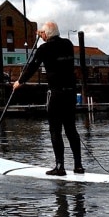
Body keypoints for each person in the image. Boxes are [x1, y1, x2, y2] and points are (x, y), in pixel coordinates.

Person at [13, 20, 83, 176]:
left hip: (56, 94)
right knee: (71, 129)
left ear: (45, 34)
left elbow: (32, 66)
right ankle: (78, 166)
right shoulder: (68, 44)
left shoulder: (44, 48)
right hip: (71, 92)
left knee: (55, 130)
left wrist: (20, 81)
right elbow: (53, 41)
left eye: (43, 34)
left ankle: (60, 167)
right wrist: (44, 34)